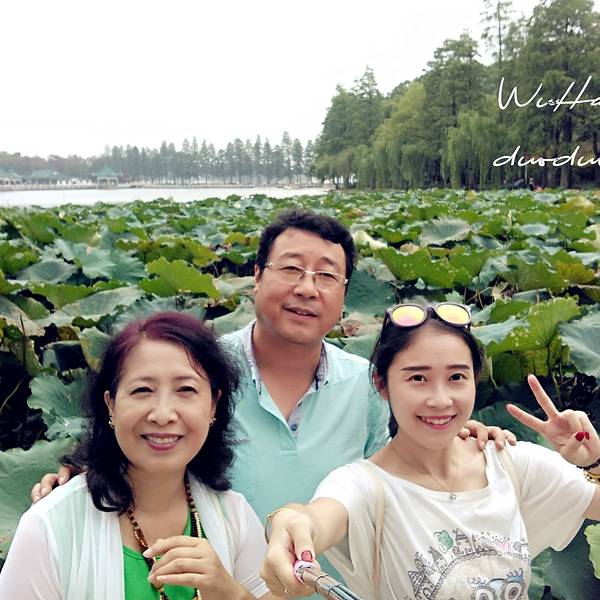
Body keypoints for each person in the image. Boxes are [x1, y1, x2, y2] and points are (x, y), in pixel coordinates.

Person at [29, 211, 511, 596]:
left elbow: (407, 468)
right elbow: (147, 436)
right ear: (257, 276)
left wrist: (465, 438)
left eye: (327, 275)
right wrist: (82, 470)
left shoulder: (368, 385)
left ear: (345, 293)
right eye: (291, 269)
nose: (307, 288)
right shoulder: (200, 374)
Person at [260, 302, 600, 600]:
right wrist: (290, 522)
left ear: (475, 379)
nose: (440, 400)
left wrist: (595, 461)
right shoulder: (362, 486)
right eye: (418, 379)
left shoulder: (510, 463)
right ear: (382, 384)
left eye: (456, 377)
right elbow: (316, 518)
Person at [1, 312, 273, 599]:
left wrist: (230, 592)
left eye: (186, 389)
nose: (163, 415)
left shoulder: (233, 515)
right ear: (111, 405)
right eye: (142, 390)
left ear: (213, 406)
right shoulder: (48, 527)